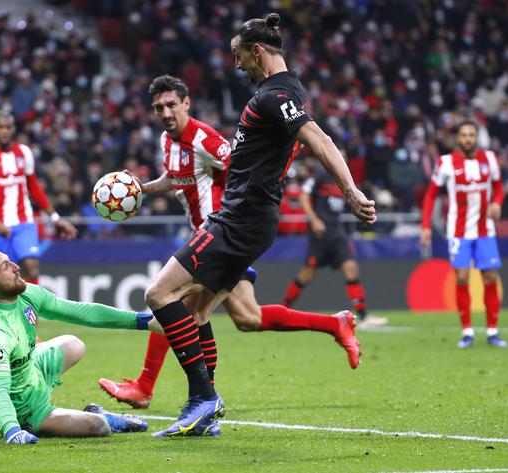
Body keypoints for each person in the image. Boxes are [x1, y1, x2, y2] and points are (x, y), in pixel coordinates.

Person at [141, 14, 376, 438]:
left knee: (158, 293)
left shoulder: (277, 95)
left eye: (237, 56)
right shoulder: (280, 91)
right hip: (246, 217)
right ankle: (203, 413)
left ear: (257, 51)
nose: (236, 66)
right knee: (197, 313)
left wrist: (351, 191)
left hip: (240, 219)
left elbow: (319, 140)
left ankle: (203, 398)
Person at [98, 75, 362, 412]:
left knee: (173, 300)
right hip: (209, 238)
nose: (165, 112)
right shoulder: (168, 140)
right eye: (158, 107)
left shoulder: (204, 137)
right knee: (244, 317)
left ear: (186, 103)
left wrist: (231, 217)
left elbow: (239, 167)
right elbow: (177, 176)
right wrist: (141, 190)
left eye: (171, 105)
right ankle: (333, 324)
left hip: (222, 236)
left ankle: (152, 387)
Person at [0, 243, 157, 444]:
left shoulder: (27, 294)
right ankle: (104, 417)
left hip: (32, 368)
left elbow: (81, 312)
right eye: (6, 266)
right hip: (24, 408)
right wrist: (12, 431)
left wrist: (144, 321)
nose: (16, 267)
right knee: (98, 426)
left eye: (10, 262)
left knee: (74, 345)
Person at [420, 120, 506, 349]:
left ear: (476, 137)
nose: (468, 138)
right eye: (464, 135)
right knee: (461, 278)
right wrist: (426, 226)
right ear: (457, 138)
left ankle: (492, 331)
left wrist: (497, 203)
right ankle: (467, 331)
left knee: (490, 277)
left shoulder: (490, 159)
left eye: (471, 135)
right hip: (458, 232)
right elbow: (430, 195)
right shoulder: (446, 163)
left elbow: (498, 188)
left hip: (485, 230)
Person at [0, 111, 77, 287]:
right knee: (0, 278)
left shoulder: (24, 153)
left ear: (13, 129)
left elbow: (35, 188)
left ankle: (32, 313)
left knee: (31, 267)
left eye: (8, 127)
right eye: (0, 127)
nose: (4, 131)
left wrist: (55, 218)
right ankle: (5, 313)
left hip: (24, 221)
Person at [281, 161, 387, 328]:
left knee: (351, 268)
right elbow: (303, 196)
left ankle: (364, 316)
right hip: (321, 233)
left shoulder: (343, 181)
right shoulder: (319, 177)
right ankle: (282, 311)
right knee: (306, 275)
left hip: (337, 231)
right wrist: (314, 220)